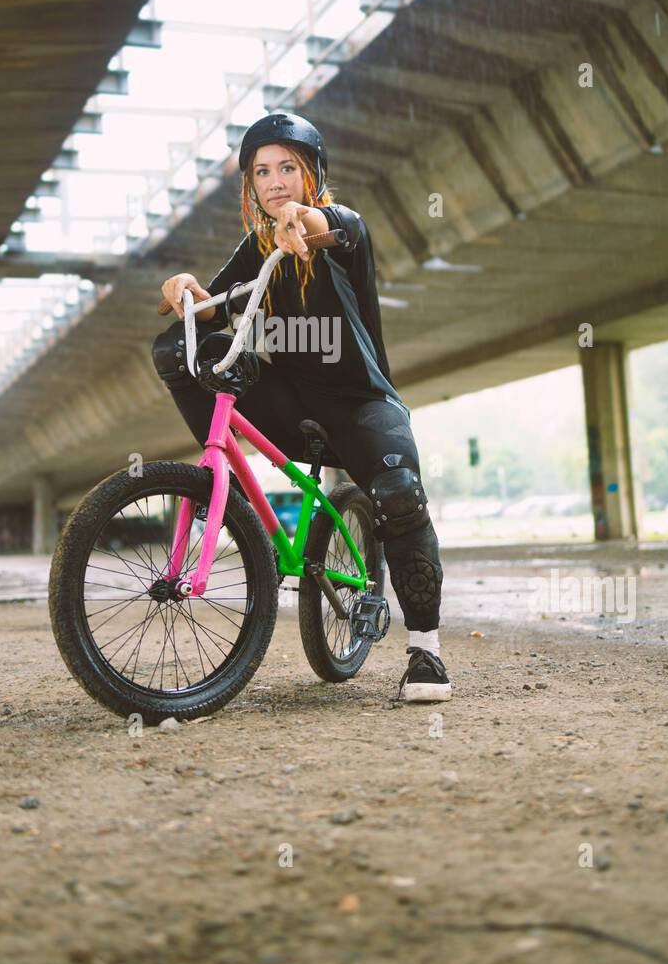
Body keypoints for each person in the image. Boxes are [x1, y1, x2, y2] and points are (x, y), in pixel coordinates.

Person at [151, 111, 450, 702]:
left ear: (312, 172)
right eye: (262, 171)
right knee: (183, 347)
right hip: (290, 406)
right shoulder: (256, 245)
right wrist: (188, 289)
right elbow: (216, 306)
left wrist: (302, 220)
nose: (275, 180)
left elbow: (319, 222)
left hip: (362, 406)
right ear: (249, 185)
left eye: (288, 166)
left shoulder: (342, 228)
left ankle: (427, 653)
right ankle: (221, 483)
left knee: (398, 494)